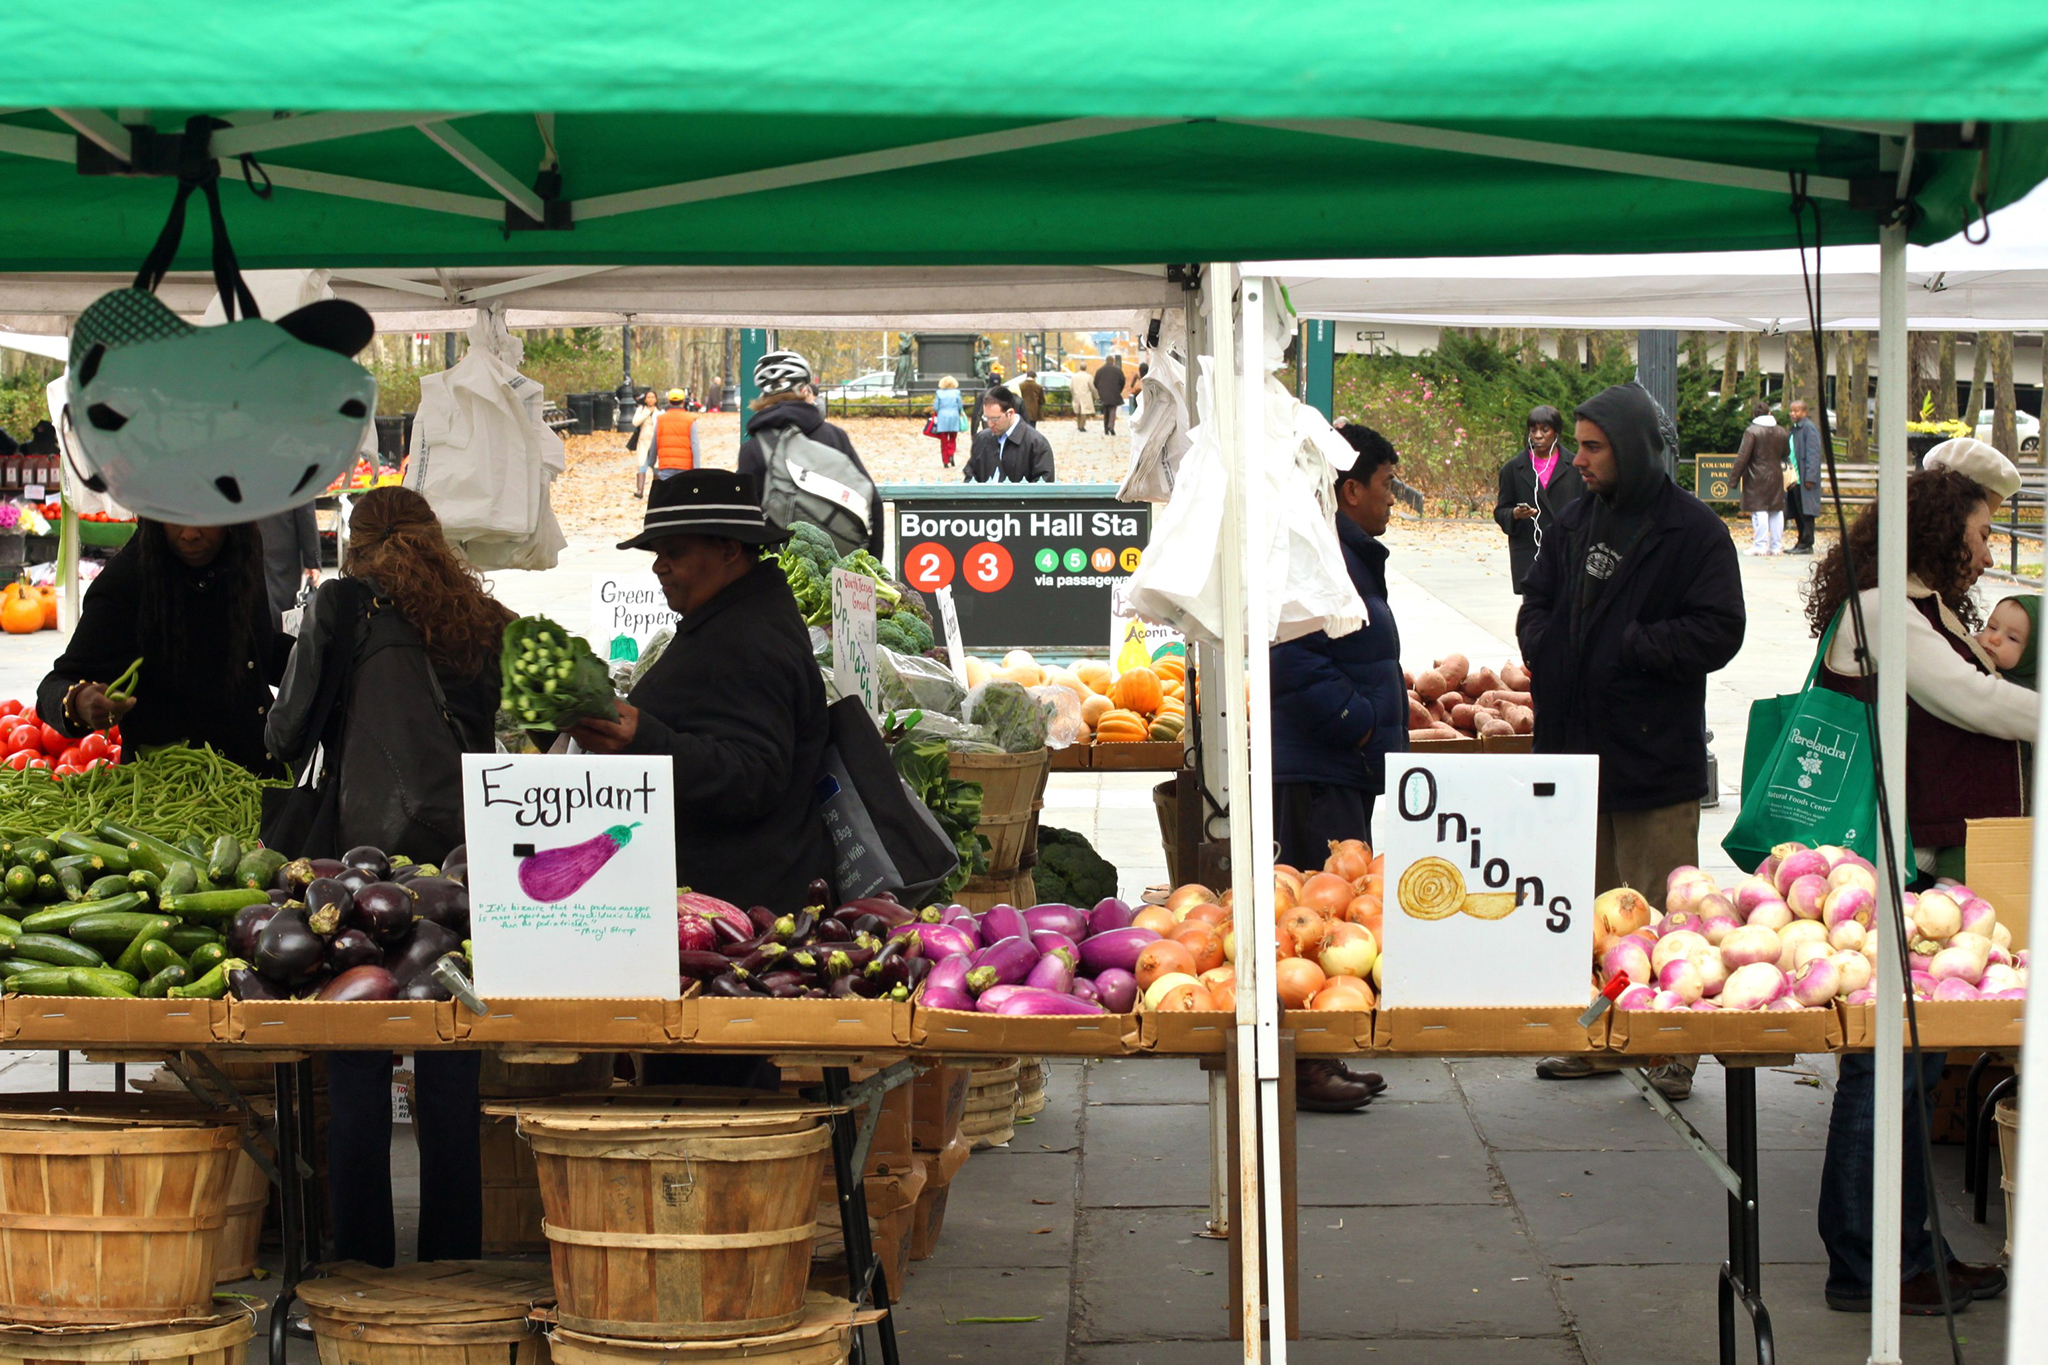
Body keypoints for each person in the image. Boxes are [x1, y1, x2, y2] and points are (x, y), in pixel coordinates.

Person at [264, 486, 514, 1269]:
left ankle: (362, 1258)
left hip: (359, 868)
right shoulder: (482, 621)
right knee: (449, 1054)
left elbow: (286, 731)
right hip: (460, 867)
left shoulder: (343, 603)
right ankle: (452, 1260)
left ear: (356, 544)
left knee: (358, 1061)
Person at [1804, 458, 2024, 1314]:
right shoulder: (1881, 611)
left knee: (1912, 1067)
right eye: (1978, 534)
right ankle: (1866, 1266)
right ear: (1939, 529)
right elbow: (1973, 700)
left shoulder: (1915, 606)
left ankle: (1913, 1249)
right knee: (1884, 1069)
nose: (1985, 549)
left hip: (1918, 865)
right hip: (1886, 865)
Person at [1518, 383, 1745, 1100]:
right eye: (1577, 446)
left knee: (1661, 913)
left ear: (1634, 448)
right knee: (1592, 920)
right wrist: (1547, 645)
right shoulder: (1574, 517)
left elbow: (1721, 628)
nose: (1577, 459)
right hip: (1577, 757)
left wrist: (1634, 647)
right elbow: (1539, 603)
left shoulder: (1694, 531)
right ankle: (1600, 1033)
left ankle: (1671, 1046)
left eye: (1592, 447)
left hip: (1653, 761)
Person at [570, 472, 833, 1088]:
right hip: (725, 916)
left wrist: (647, 739)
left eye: (675, 552)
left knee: (708, 1100)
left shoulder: (748, 639)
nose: (661, 568)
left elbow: (755, 774)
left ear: (730, 549)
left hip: (731, 926)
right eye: (658, 555)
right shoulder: (736, 619)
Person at [1270, 424, 1408, 1113]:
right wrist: (1358, 723)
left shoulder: (1344, 553)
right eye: (1385, 485)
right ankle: (1306, 1062)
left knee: (1323, 912)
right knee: (1313, 915)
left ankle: (1316, 1053)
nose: (1391, 500)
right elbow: (1291, 659)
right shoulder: (1321, 556)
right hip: (1319, 766)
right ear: (1349, 489)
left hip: (1337, 763)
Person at [39, 520, 288, 776]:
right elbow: (53, 686)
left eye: (204, 515)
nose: (190, 532)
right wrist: (79, 701)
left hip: (262, 777)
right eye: (173, 516)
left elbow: (254, 645)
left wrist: (313, 658)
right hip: (172, 790)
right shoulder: (125, 581)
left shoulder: (242, 548)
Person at [735, 350, 885, 556]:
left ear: (763, 397)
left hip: (783, 570)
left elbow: (746, 520)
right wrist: (872, 565)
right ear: (806, 390)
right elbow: (872, 500)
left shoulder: (753, 449)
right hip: (845, 562)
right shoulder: (835, 436)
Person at [1492, 404, 1587, 594]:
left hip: (1567, 554)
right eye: (1533, 430)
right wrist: (1515, 514)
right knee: (1535, 617)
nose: (1538, 435)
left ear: (1556, 432)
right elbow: (1501, 511)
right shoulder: (1513, 469)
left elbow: (1589, 509)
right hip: (1530, 554)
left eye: (1544, 429)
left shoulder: (1577, 467)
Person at [1730, 399, 1789, 556]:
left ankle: (1760, 545)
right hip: (1776, 474)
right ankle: (1776, 546)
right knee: (1776, 510)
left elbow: (1743, 457)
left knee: (1759, 510)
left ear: (1754, 415)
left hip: (1756, 476)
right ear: (1769, 413)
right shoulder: (1781, 431)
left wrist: (1733, 480)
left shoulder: (1752, 431)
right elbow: (1786, 453)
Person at [963, 385, 1055, 484]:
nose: (990, 424)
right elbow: (971, 475)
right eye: (986, 418)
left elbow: (1043, 485)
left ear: (1010, 413)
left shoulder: (1036, 443)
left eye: (995, 419)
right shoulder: (981, 439)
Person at [257, 504, 321, 630]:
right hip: (281, 544)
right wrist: (312, 560)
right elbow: (304, 507)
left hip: (246, 541)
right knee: (282, 610)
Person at [636, 388, 702, 497]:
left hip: (666, 465)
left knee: (668, 495)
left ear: (669, 401)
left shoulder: (661, 420)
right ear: (683, 402)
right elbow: (695, 445)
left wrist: (651, 462)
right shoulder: (690, 420)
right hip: (685, 467)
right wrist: (697, 469)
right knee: (684, 495)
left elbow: (654, 444)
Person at [1786, 398, 1823, 553]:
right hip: (1794, 479)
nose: (1793, 414)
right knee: (1797, 511)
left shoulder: (1809, 428)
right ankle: (1801, 541)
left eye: (1797, 411)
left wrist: (1810, 477)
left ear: (1804, 412)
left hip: (1805, 479)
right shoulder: (1794, 429)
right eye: (1792, 411)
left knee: (1806, 512)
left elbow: (1813, 454)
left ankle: (1807, 543)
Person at [931, 375, 965, 469]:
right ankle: (951, 454)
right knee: (953, 438)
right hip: (954, 415)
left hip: (942, 416)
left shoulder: (939, 393)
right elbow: (960, 406)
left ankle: (945, 460)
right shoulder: (957, 393)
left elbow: (936, 407)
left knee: (944, 440)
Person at [1093, 356, 1126, 436]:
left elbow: (1095, 382)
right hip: (1114, 393)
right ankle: (1111, 426)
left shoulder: (1099, 371)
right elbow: (1122, 381)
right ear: (1113, 361)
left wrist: (1100, 390)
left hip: (1103, 393)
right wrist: (1119, 390)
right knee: (1112, 410)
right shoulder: (1117, 370)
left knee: (1106, 411)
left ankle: (1105, 429)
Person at [1071, 362, 1097, 431]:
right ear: (1086, 368)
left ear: (1080, 367)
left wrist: (1073, 394)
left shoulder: (1074, 376)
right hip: (1085, 396)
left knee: (1078, 412)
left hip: (1076, 395)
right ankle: (1082, 426)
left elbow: (1071, 387)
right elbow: (1092, 388)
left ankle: (1079, 425)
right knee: (1084, 412)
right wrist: (1097, 396)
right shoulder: (1088, 377)